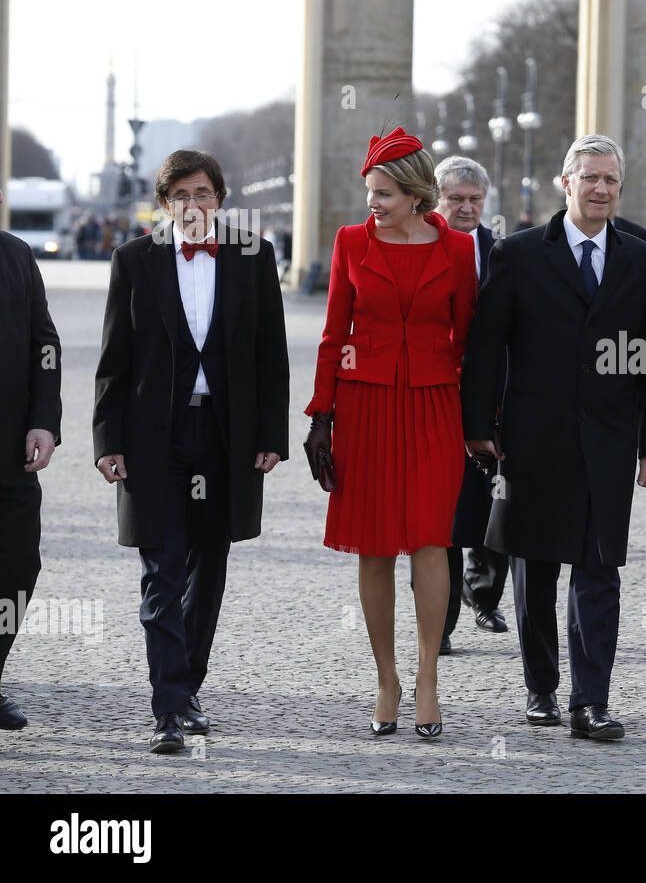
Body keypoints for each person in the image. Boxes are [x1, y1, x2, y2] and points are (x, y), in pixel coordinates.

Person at [461, 134, 646, 741]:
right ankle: (542, 690)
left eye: (611, 180)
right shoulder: (519, 253)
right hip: (534, 437)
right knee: (537, 568)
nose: (601, 189)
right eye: (590, 178)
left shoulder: (642, 259)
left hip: (608, 438)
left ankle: (591, 701)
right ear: (566, 183)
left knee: (600, 570)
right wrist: (479, 430)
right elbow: (486, 347)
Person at [93, 149, 290, 753]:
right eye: (180, 195)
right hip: (156, 439)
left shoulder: (253, 258)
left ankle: (190, 688)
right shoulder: (133, 261)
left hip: (225, 438)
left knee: (208, 573)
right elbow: (113, 361)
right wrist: (108, 441)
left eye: (203, 193)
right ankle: (169, 709)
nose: (193, 205)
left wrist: (270, 438)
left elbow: (270, 355)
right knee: (161, 572)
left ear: (220, 200)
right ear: (165, 204)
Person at [304, 128, 476, 741]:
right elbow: (332, 334)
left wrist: (479, 424)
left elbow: (469, 339)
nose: (371, 203)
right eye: (369, 192)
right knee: (374, 544)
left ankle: (428, 676)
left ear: (413, 192)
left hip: (434, 405)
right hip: (366, 407)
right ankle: (387, 679)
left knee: (431, 539)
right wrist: (321, 418)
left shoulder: (457, 250)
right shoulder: (352, 242)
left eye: (381, 192)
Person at [432, 155, 511, 646]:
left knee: (493, 503)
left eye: (474, 200)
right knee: (438, 514)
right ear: (437, 200)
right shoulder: (422, 247)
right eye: (456, 198)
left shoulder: (503, 252)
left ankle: (485, 598)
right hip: (436, 393)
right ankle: (437, 623)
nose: (465, 208)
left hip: (494, 397)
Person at [0, 190, 61, 731]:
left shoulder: (17, 254)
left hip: (10, 449)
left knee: (19, 566)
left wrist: (44, 420)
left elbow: (45, 343)